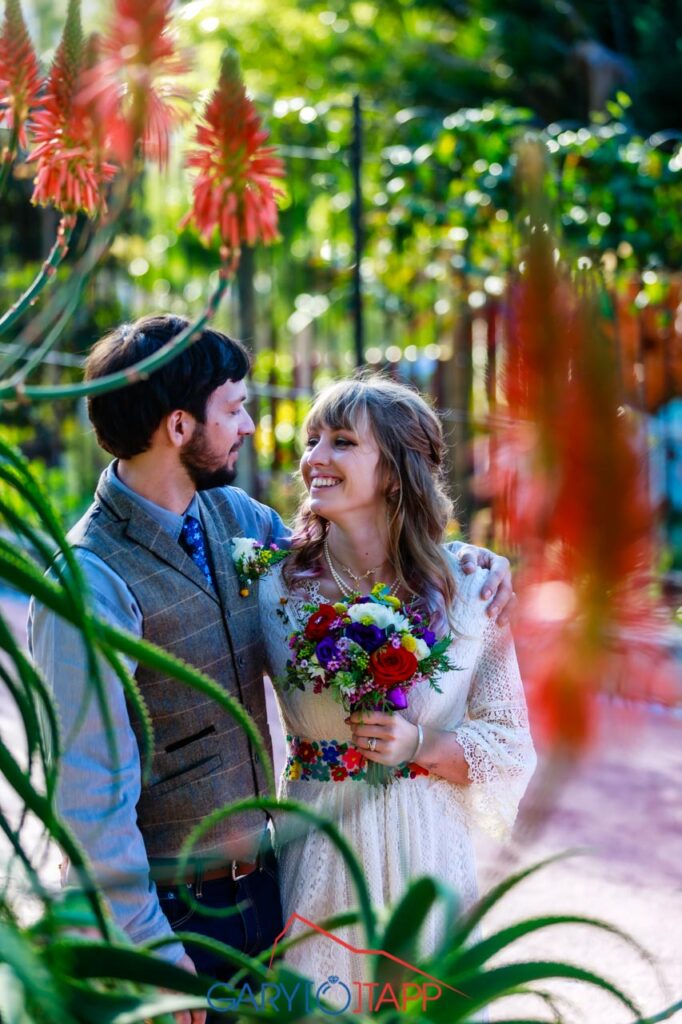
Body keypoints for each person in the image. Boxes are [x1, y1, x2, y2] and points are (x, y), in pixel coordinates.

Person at [27, 315, 516, 1014]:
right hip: (171, 915)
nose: (253, 427)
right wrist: (150, 954)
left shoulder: (237, 521)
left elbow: (353, 555)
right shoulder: (90, 581)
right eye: (235, 408)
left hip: (271, 886)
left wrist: (477, 565)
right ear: (178, 427)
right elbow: (85, 800)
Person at [257, 376, 537, 987]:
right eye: (312, 440)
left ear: (392, 473)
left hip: (428, 858)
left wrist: (420, 746)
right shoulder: (275, 586)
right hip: (319, 853)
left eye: (341, 442)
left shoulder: (470, 586)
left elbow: (511, 747)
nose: (314, 459)